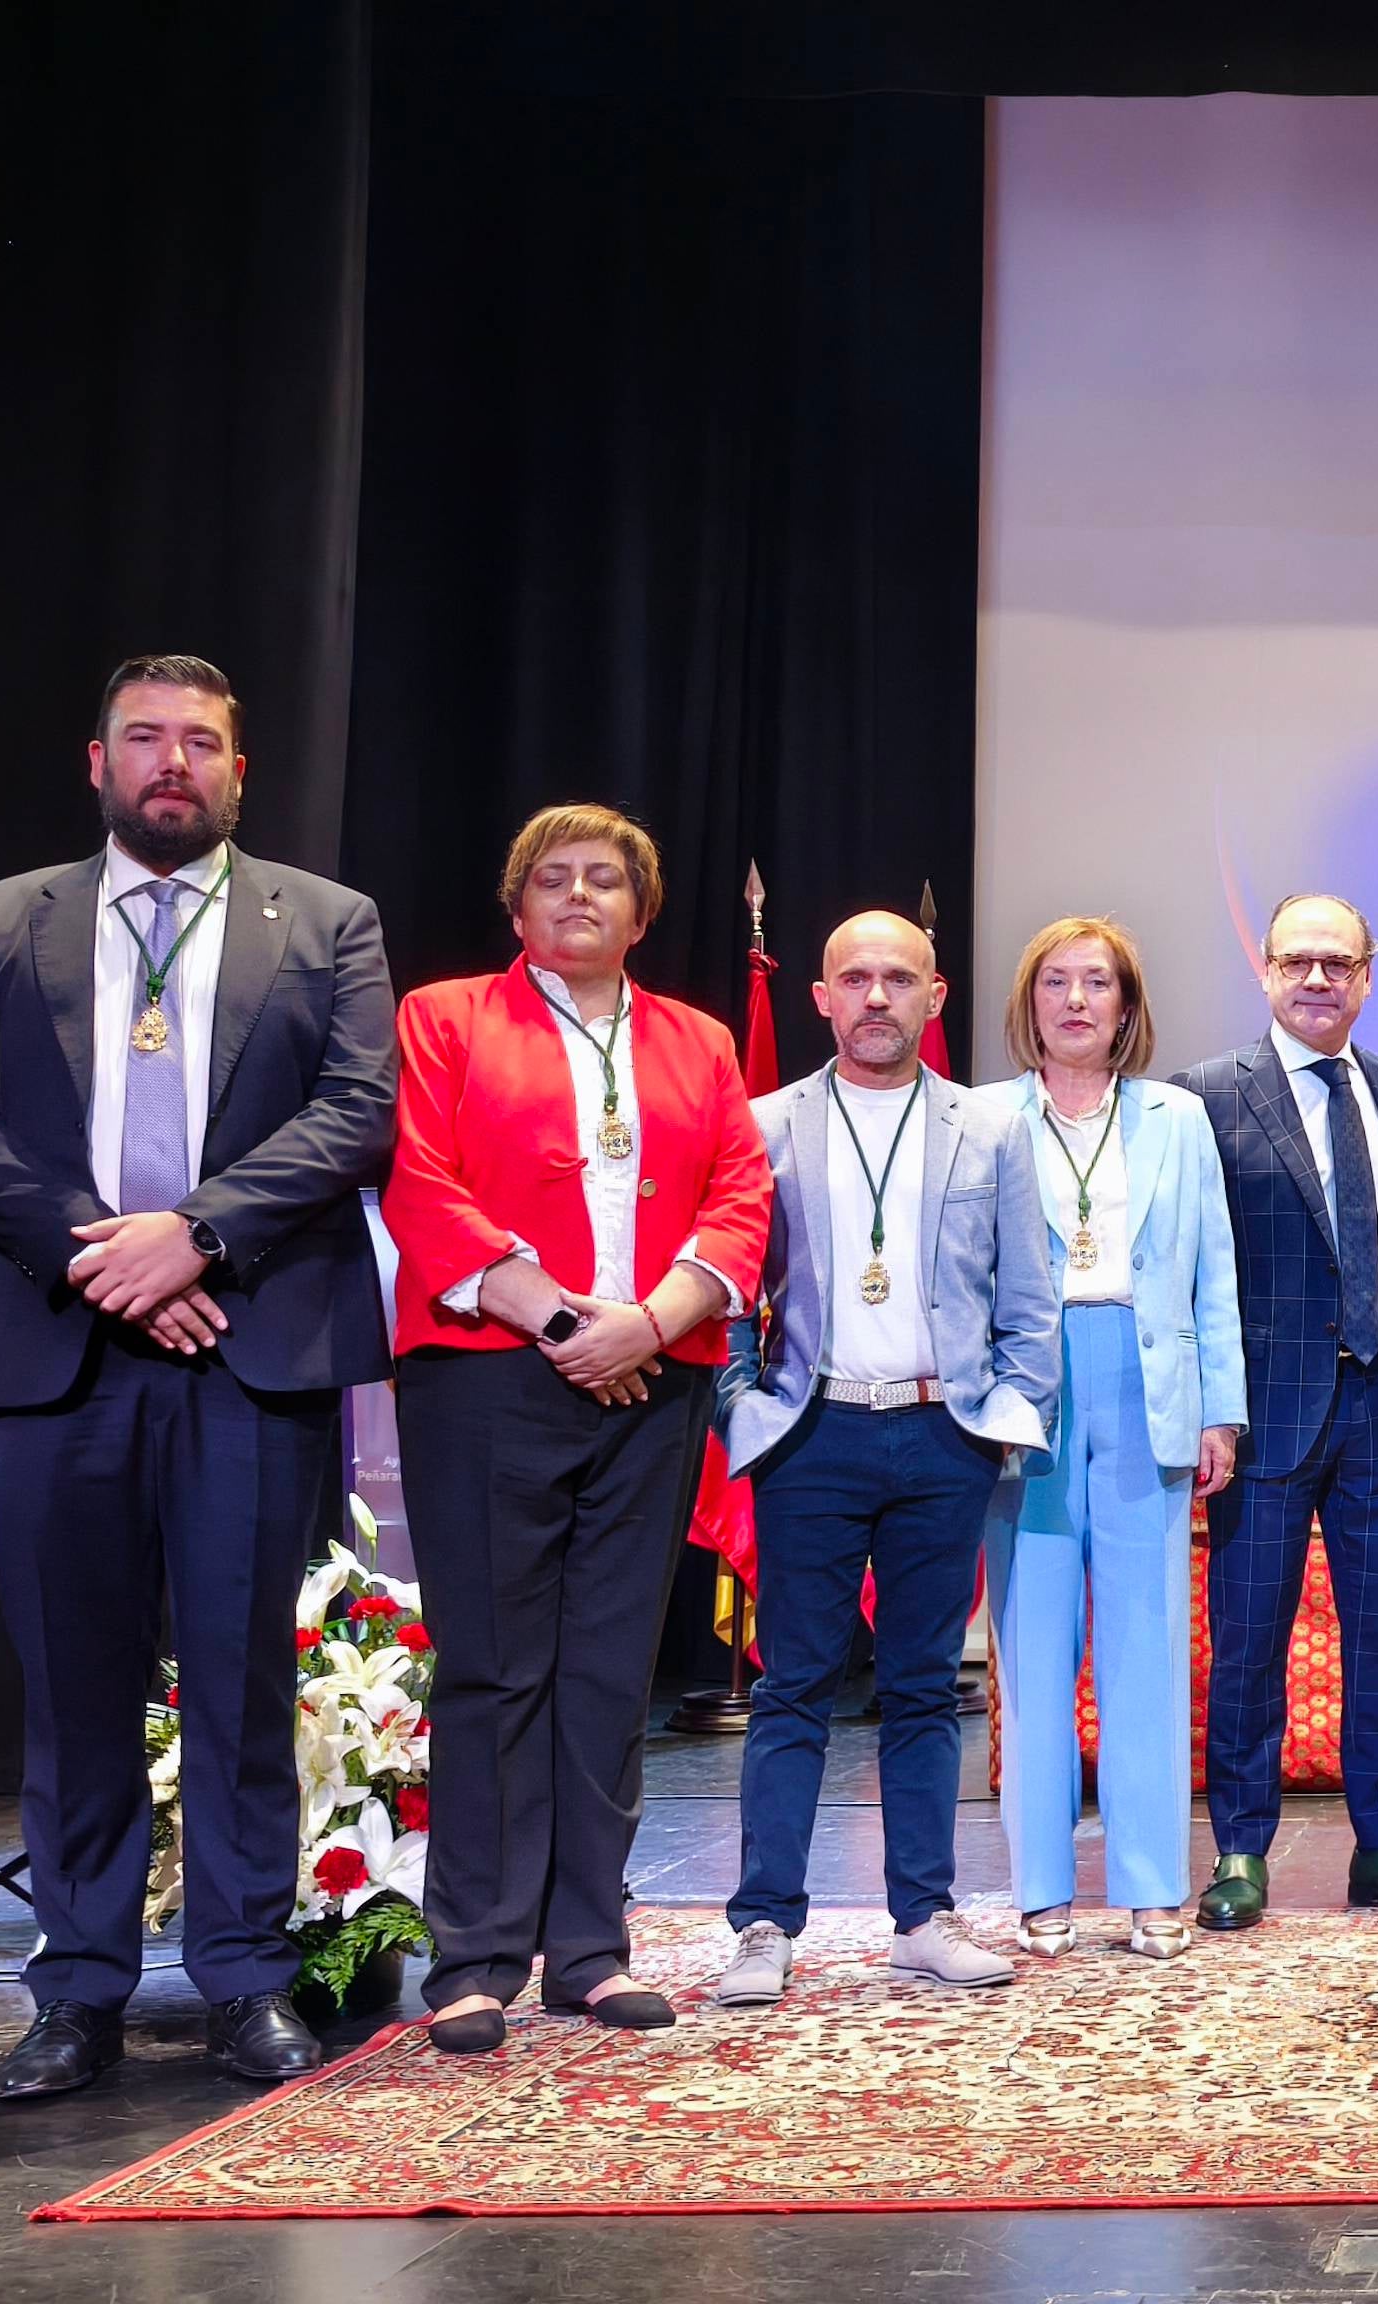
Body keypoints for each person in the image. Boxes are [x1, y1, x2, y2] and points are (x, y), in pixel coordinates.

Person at [0, 654, 398, 2098]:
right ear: (98, 762)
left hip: (247, 1344)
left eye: (200, 743)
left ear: (239, 773)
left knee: (242, 1676)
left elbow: (356, 1112)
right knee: (73, 1685)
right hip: (60, 1354)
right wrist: (100, 1257)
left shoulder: (328, 921)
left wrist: (196, 1238)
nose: (171, 762)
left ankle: (245, 1978)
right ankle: (80, 1992)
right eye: (145, 740)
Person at [385, 804, 772, 2054]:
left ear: (640, 912)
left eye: (603, 881)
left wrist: (647, 1328)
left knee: (609, 1668)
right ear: (517, 909)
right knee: (498, 1664)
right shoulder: (446, 1020)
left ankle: (591, 1950)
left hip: (652, 1379)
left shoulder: (698, 1042)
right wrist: (565, 1325)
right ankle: (478, 1956)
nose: (578, 898)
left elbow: (737, 1196)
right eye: (550, 880)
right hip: (490, 1375)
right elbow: (419, 1182)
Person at [709, 912, 1062, 2009]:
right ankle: (765, 1925)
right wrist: (742, 1408)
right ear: (820, 998)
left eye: (896, 979)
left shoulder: (990, 1130)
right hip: (811, 1432)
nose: (875, 997)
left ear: (934, 996)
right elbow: (725, 1283)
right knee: (794, 1686)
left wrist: (1001, 1414)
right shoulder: (766, 1123)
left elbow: (1028, 1294)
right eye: (854, 979)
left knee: (920, 1688)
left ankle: (925, 1916)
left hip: (939, 1432)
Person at [1173, 894, 1378, 1926]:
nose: (1319, 979)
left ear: (1369, 974)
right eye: (1299, 961)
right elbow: (1190, 1263)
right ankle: (1240, 1854)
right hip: (1264, 1416)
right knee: (1248, 1641)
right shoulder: (1203, 1095)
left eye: (1339, 962)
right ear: (1265, 971)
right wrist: (1212, 1405)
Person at [982, 916, 1240, 1960]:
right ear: (1029, 1002)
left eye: (1099, 984)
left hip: (1147, 1387)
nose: (1077, 1001)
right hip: (1026, 1398)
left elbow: (1211, 1268)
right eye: (1057, 983)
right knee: (1032, 1648)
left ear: (1128, 1008)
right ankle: (1041, 1893)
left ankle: (1149, 1890)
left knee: (1145, 1647)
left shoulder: (1177, 1118)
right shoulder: (984, 1116)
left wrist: (1221, 1407)